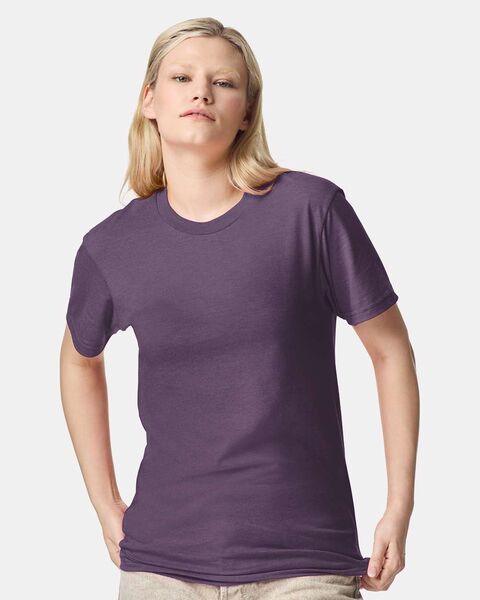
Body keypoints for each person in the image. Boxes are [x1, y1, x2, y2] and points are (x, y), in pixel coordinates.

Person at [59, 17, 418, 600]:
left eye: (224, 83)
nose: (201, 92)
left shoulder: (312, 211)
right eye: (182, 78)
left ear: (247, 111)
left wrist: (398, 507)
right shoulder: (112, 246)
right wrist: (105, 504)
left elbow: (390, 350)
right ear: (149, 100)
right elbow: (78, 360)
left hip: (304, 560)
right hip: (162, 566)